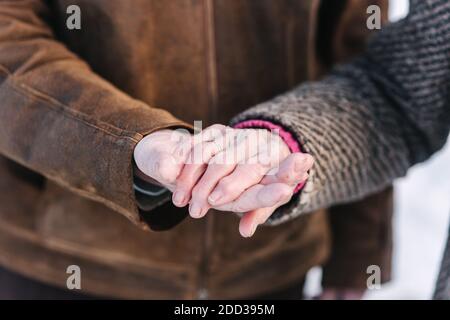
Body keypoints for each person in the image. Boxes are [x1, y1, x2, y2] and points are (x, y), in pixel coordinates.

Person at [0, 0, 394, 299]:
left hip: (271, 261)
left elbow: (363, 61)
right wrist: (129, 142)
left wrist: (358, 251)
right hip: (66, 261)